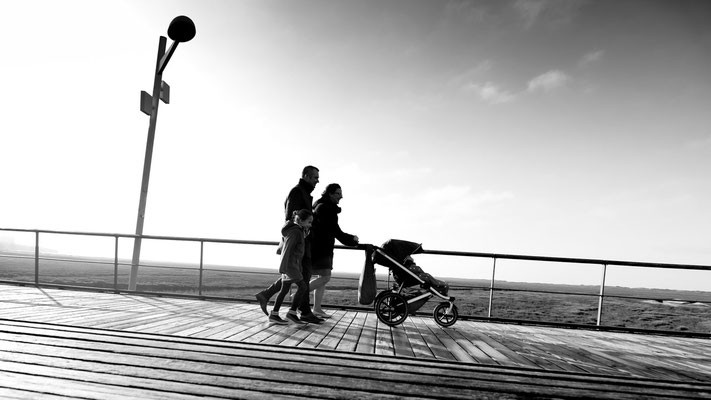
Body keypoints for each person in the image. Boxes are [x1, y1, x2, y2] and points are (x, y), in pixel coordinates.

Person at [255, 166, 324, 324]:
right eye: (315, 177)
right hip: (299, 245)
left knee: (296, 280)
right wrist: (301, 234)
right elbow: (290, 217)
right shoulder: (297, 192)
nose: (317, 180)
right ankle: (301, 312)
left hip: (302, 244)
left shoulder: (303, 193)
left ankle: (269, 298)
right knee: (302, 280)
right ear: (306, 176)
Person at [309, 183, 359, 318]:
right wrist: (352, 240)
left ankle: (317, 308)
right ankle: (300, 294)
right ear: (330, 194)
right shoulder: (326, 209)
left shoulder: (321, 206)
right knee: (325, 277)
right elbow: (335, 230)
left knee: (322, 278)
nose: (341, 196)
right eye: (338, 193)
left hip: (319, 246)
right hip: (321, 248)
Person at [267, 209, 313, 325]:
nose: (310, 225)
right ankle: (292, 313)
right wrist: (283, 267)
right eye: (309, 222)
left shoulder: (298, 231)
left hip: (291, 265)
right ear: (301, 221)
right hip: (290, 265)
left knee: (284, 289)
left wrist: (305, 233)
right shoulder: (295, 232)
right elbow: (287, 249)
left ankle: (274, 314)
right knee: (302, 287)